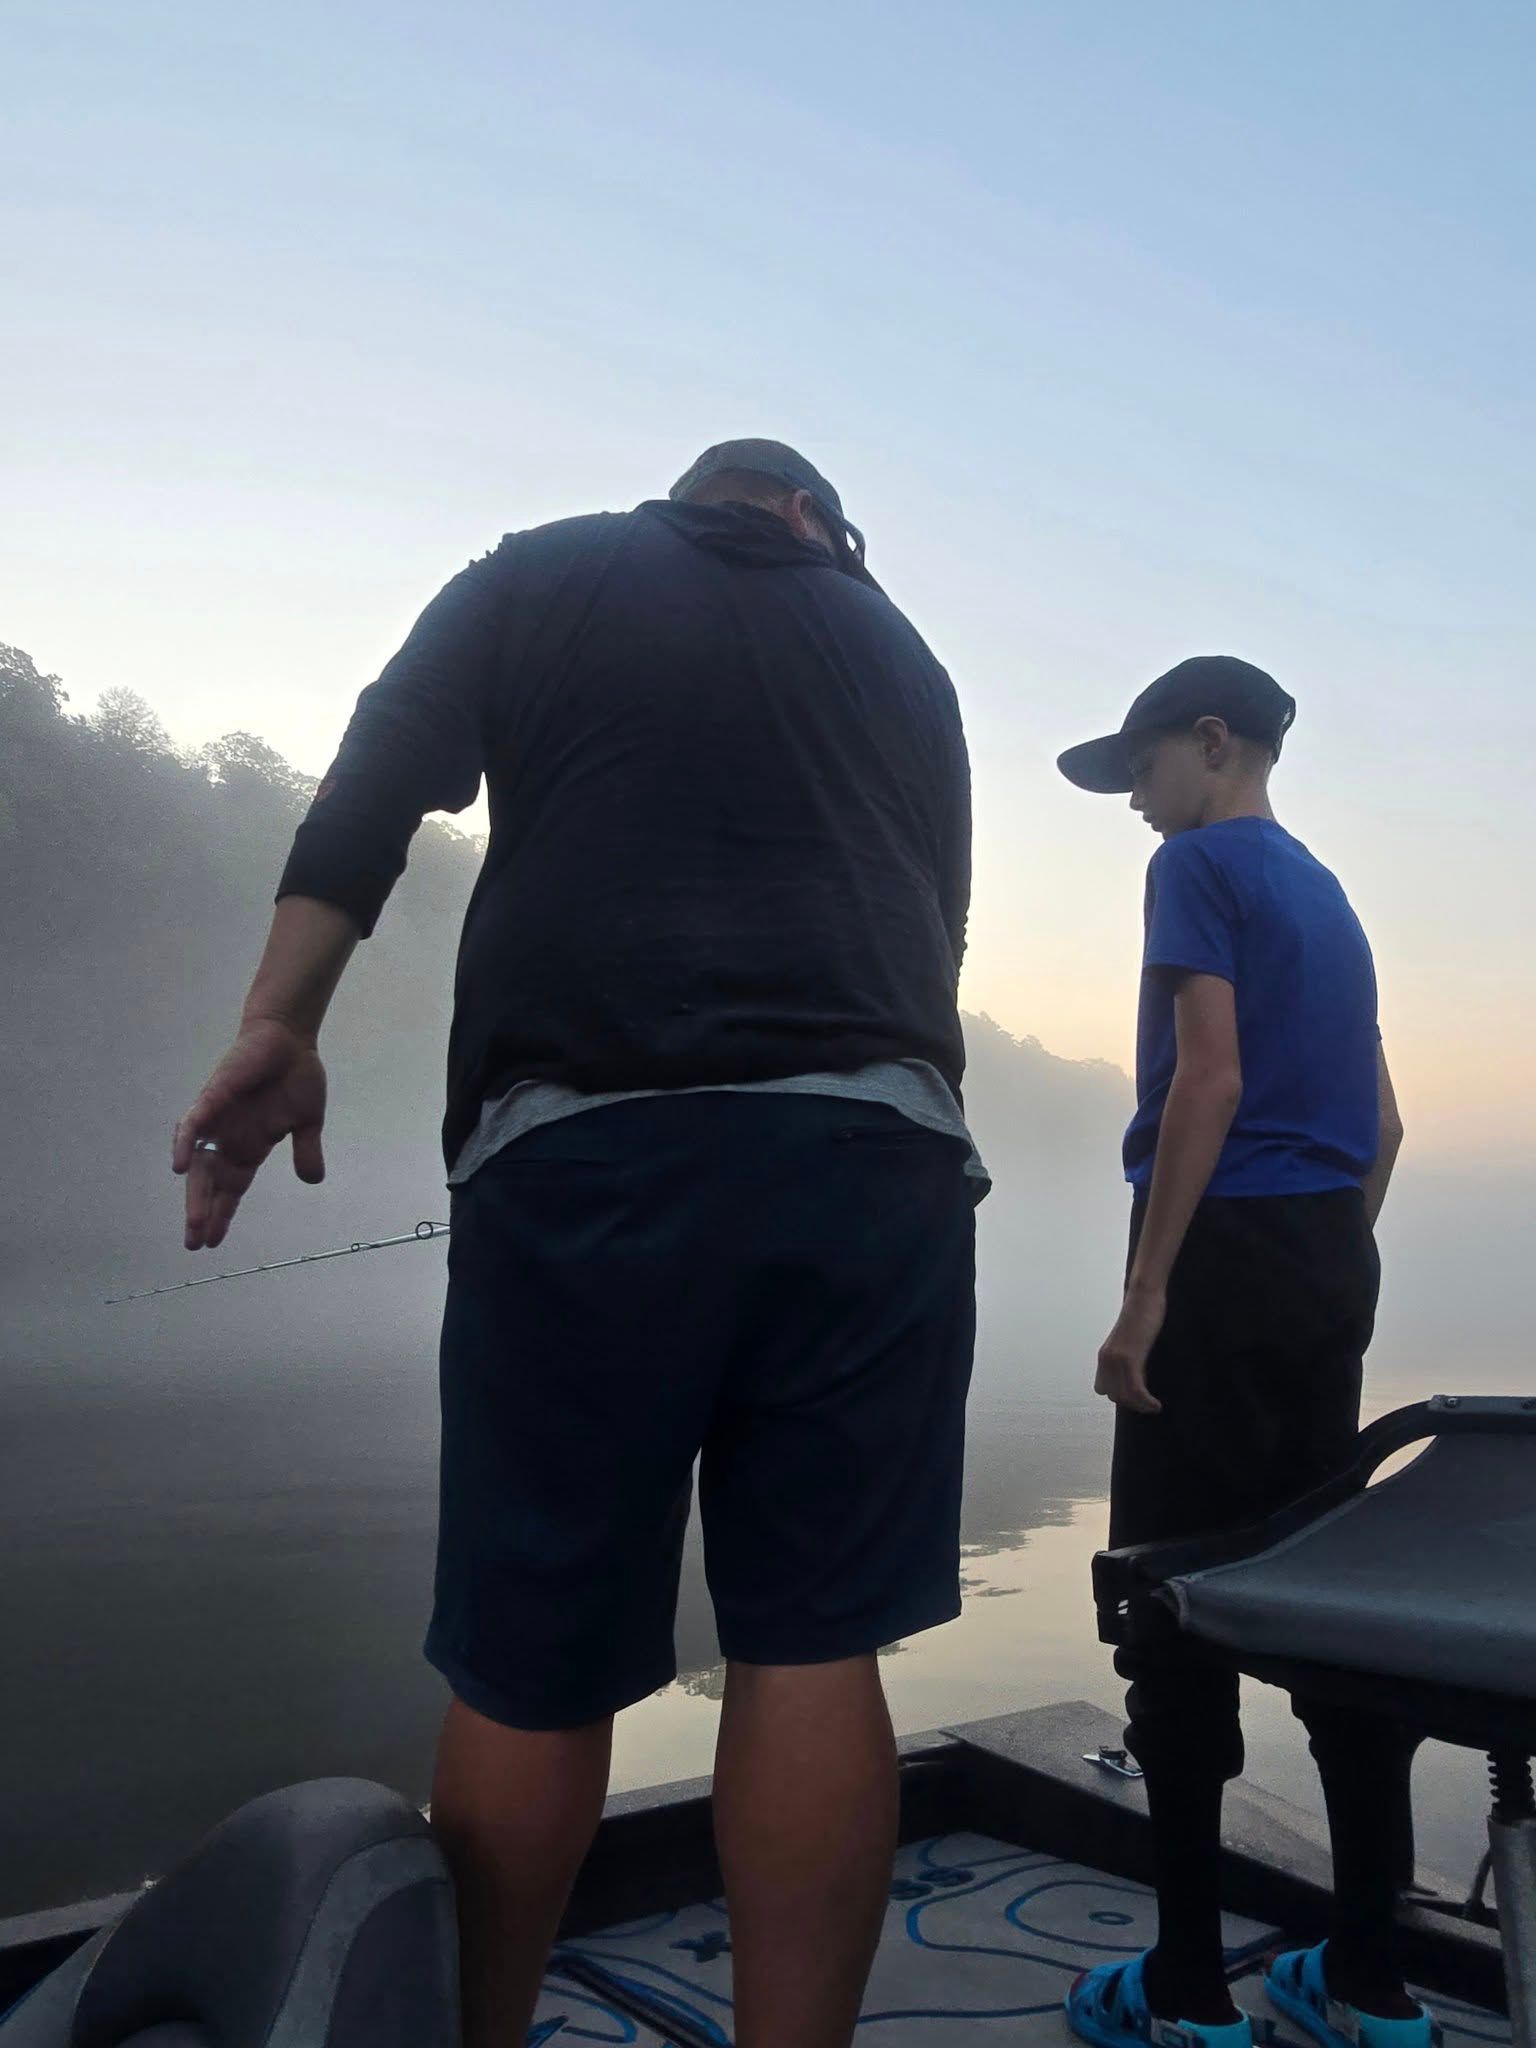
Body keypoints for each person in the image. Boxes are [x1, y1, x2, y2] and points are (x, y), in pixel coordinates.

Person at [173, 439, 982, 2048]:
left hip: (590, 1152)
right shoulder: (905, 654)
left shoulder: (535, 572)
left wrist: (279, 1018)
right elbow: (936, 921)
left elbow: (375, 780)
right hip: (873, 1164)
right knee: (816, 1648)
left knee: (533, 1660)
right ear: (811, 519)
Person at [1056, 657, 1427, 2048]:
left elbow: (1206, 1078)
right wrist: (1319, 1259)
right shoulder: (1329, 898)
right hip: (1330, 1258)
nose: (1136, 803)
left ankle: (1190, 1994)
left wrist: (1150, 1292)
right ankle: (1370, 1984)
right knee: (1324, 1610)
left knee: (1173, 1608)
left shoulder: (1197, 867)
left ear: (1213, 745)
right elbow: (1384, 1128)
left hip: (1218, 1256)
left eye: (1143, 769)